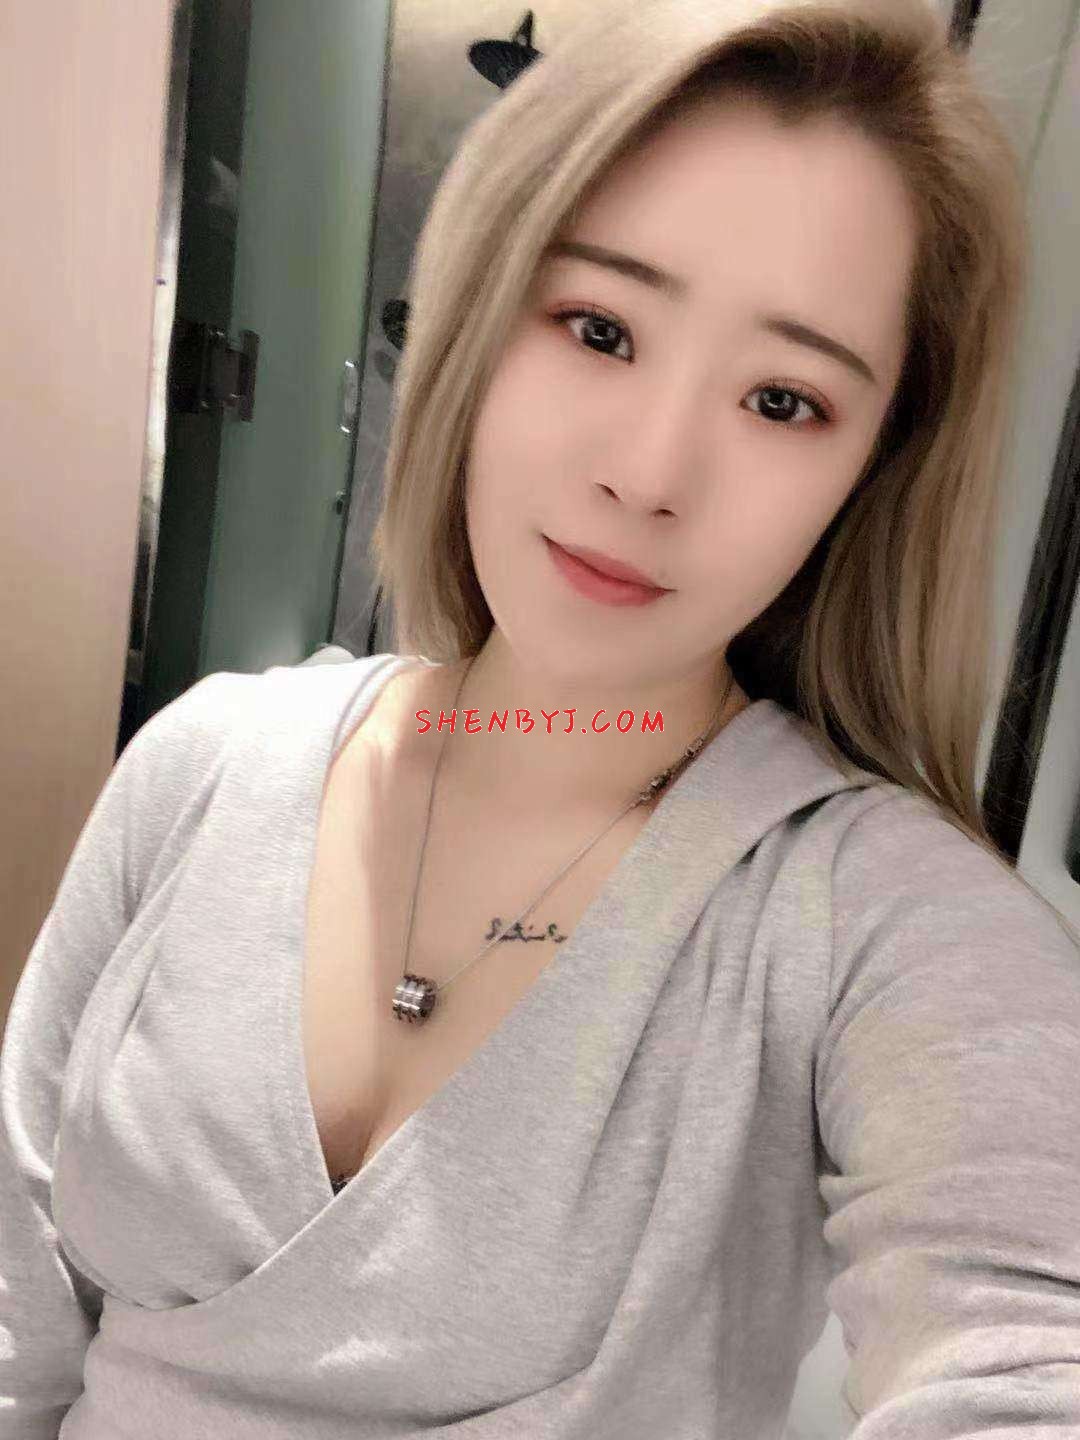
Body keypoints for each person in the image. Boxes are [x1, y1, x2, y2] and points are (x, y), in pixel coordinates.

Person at [3, 1, 1079, 1436]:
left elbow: (1022, 1352)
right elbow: (18, 1299)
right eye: (599, 327)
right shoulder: (202, 763)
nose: (649, 473)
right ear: (479, 318)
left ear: (874, 470)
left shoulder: (870, 918)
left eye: (782, 399)